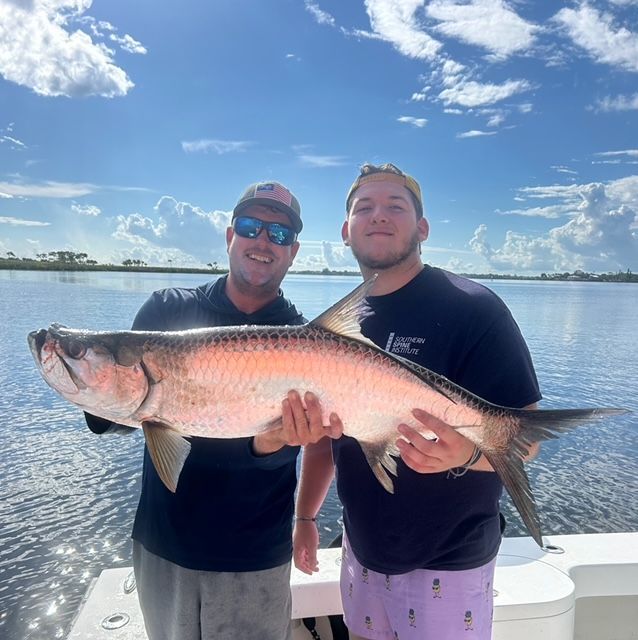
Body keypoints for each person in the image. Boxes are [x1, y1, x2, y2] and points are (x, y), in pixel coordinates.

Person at [293, 163, 542, 640]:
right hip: (361, 552)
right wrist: (305, 516)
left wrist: (468, 454)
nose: (378, 216)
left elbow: (524, 440)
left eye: (395, 206)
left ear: (422, 227)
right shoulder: (330, 329)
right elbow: (325, 437)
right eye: (364, 208)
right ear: (346, 232)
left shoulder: (474, 308)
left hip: (451, 562)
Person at [85, 181, 338, 640]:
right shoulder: (166, 311)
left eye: (279, 234)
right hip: (164, 546)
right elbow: (118, 416)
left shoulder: (308, 343)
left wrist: (294, 492)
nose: (263, 241)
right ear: (229, 237)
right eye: (250, 226)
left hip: (255, 555)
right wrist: (92, 386)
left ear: (294, 252)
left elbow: (309, 448)